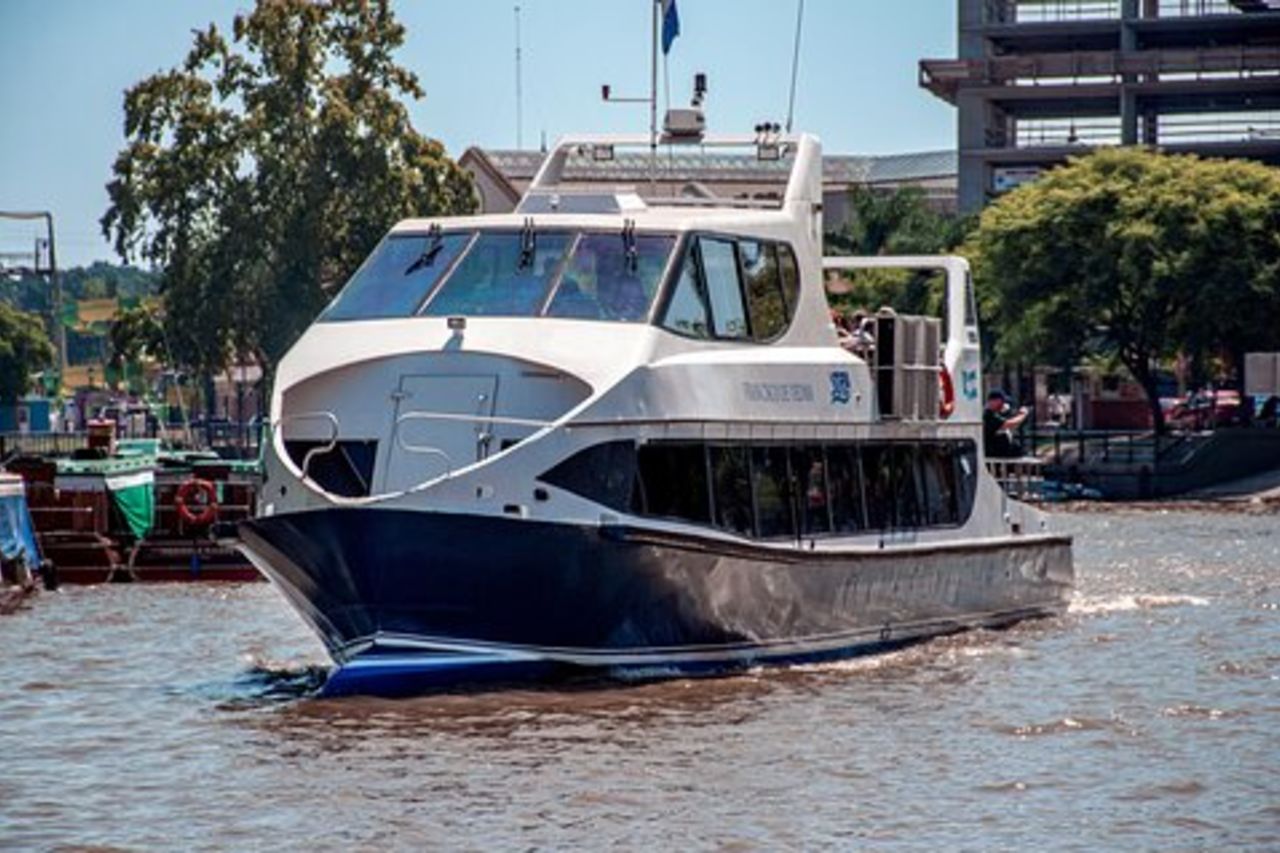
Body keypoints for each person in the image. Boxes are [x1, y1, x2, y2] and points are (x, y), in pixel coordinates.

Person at [984, 390, 1028, 459]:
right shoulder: (989, 415)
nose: (1003, 404)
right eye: (1002, 402)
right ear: (995, 401)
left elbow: (1011, 425)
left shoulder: (996, 414)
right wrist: (1023, 414)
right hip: (994, 455)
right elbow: (1008, 424)